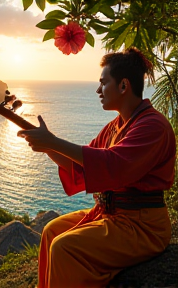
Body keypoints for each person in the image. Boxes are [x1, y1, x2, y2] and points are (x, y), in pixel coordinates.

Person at [17, 47, 176, 288]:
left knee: (64, 248)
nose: (98, 90)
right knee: (51, 231)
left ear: (123, 86)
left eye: (103, 83)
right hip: (112, 216)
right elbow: (82, 165)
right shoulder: (115, 127)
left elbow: (113, 165)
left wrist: (53, 141)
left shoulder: (153, 126)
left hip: (142, 226)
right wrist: (48, 147)